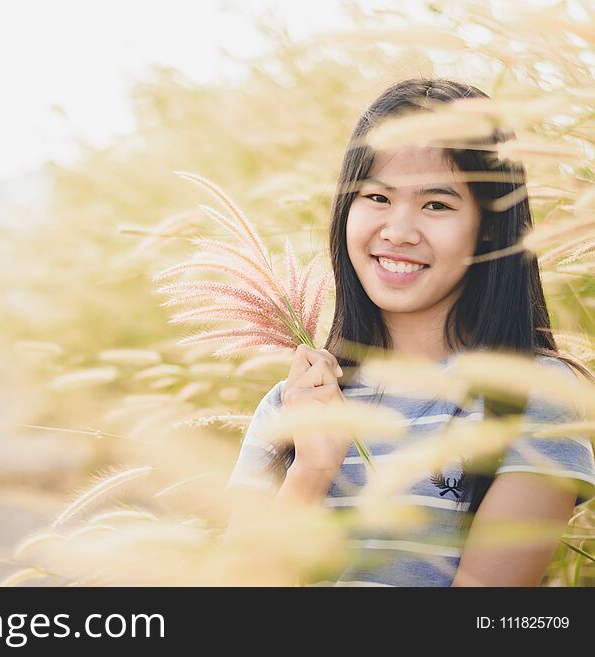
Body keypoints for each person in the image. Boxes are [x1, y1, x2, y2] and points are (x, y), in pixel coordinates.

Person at [223, 78, 595, 587]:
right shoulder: (290, 407)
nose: (398, 231)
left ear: (489, 225)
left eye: (436, 204)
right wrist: (311, 469)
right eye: (376, 196)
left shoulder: (533, 397)